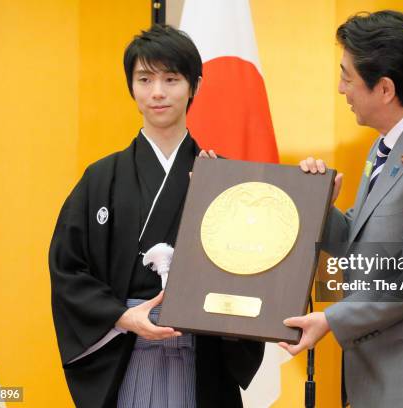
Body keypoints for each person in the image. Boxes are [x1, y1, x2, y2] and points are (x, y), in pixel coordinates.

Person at [49, 24, 263, 408]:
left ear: (194, 86)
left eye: (171, 79)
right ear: (131, 87)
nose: (158, 92)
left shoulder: (224, 179)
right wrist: (123, 317)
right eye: (145, 79)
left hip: (203, 359)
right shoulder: (101, 178)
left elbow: (253, 266)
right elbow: (68, 269)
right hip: (128, 353)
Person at [279, 10, 403, 408]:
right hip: (375, 373)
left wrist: (331, 320)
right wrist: (318, 203)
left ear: (385, 89)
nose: (341, 89)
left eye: (347, 77)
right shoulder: (386, 145)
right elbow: (360, 242)